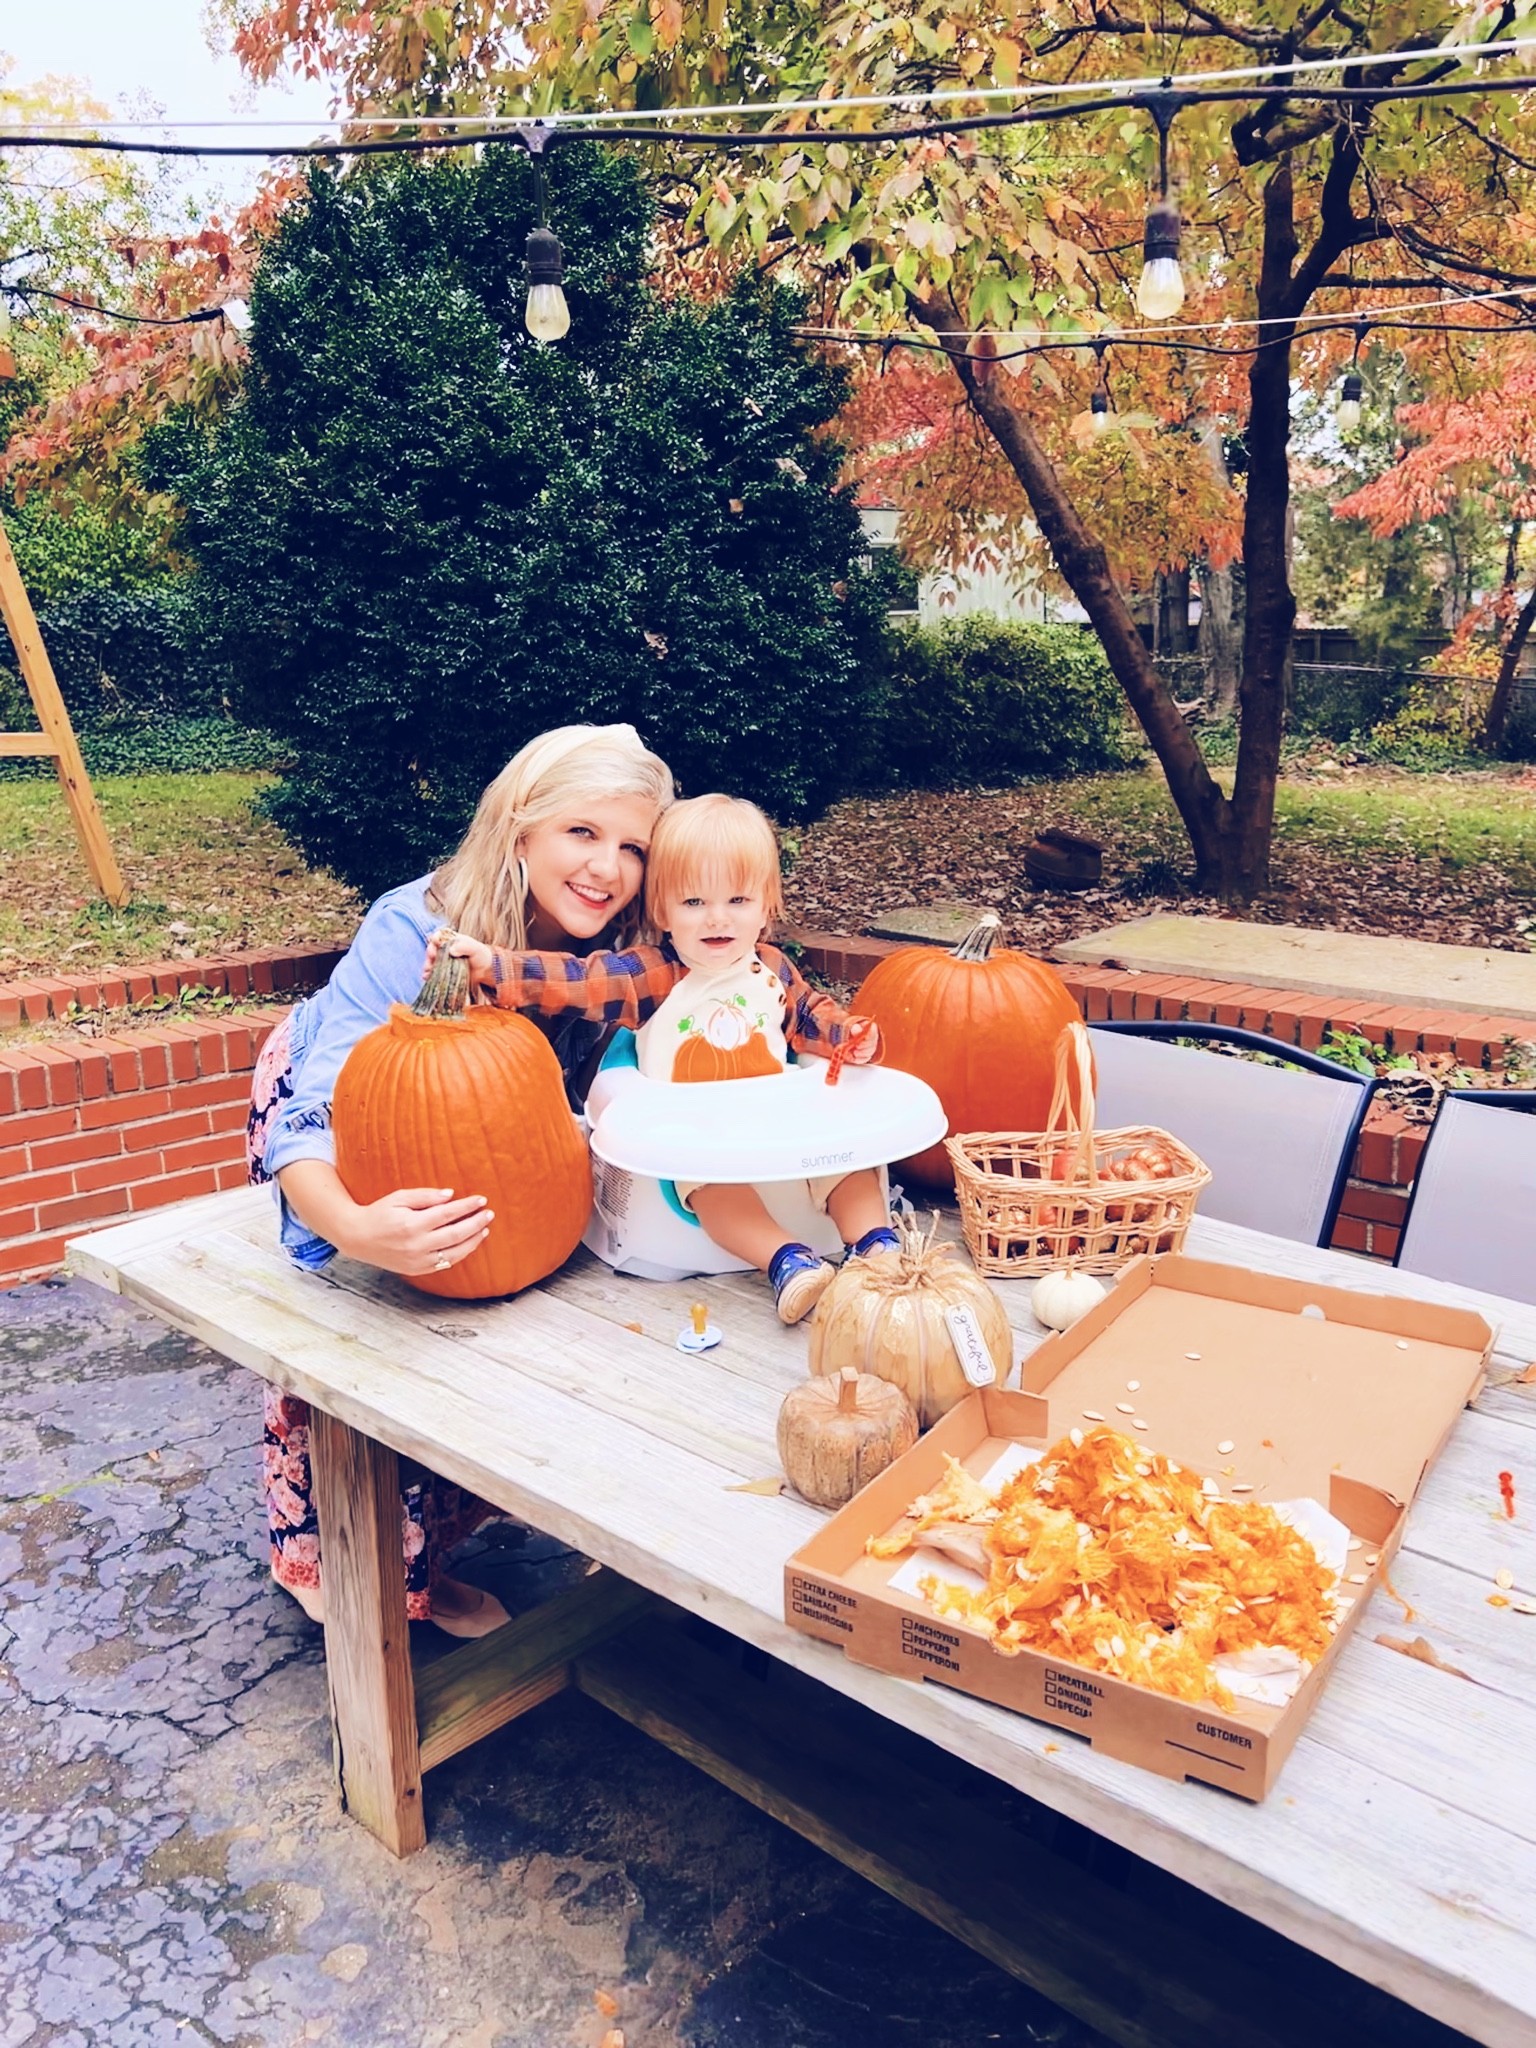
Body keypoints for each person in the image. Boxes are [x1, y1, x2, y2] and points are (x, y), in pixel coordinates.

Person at [247, 723, 675, 1634]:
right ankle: (316, 1550)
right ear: (520, 828)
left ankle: (423, 1557)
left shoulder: (622, 949)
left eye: (633, 846)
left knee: (479, 1308)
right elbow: (309, 1117)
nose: (609, 867)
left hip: (496, 1125)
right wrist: (354, 1225)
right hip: (335, 1104)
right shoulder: (415, 929)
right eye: (582, 834)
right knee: (356, 1321)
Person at [437, 793, 894, 1325]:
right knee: (715, 1196)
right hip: (698, 1141)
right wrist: (495, 966)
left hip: (780, 1126)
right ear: (663, 910)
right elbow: (578, 982)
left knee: (849, 1164)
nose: (716, 918)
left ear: (767, 905)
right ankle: (788, 1262)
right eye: (694, 902)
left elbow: (813, 1019)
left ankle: (875, 1249)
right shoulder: (653, 973)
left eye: (738, 900)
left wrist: (849, 1036)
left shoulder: (773, 970)